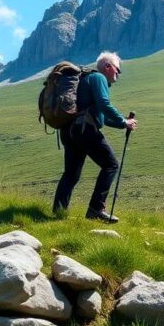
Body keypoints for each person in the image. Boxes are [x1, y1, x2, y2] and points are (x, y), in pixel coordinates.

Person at [53, 51, 137, 223]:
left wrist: (122, 124)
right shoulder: (98, 78)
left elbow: (102, 118)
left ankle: (58, 212)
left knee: (71, 174)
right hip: (84, 129)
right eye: (117, 70)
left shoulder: (85, 80)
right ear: (108, 66)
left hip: (69, 131)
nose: (118, 75)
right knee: (111, 164)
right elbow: (104, 104)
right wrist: (123, 120)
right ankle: (96, 210)